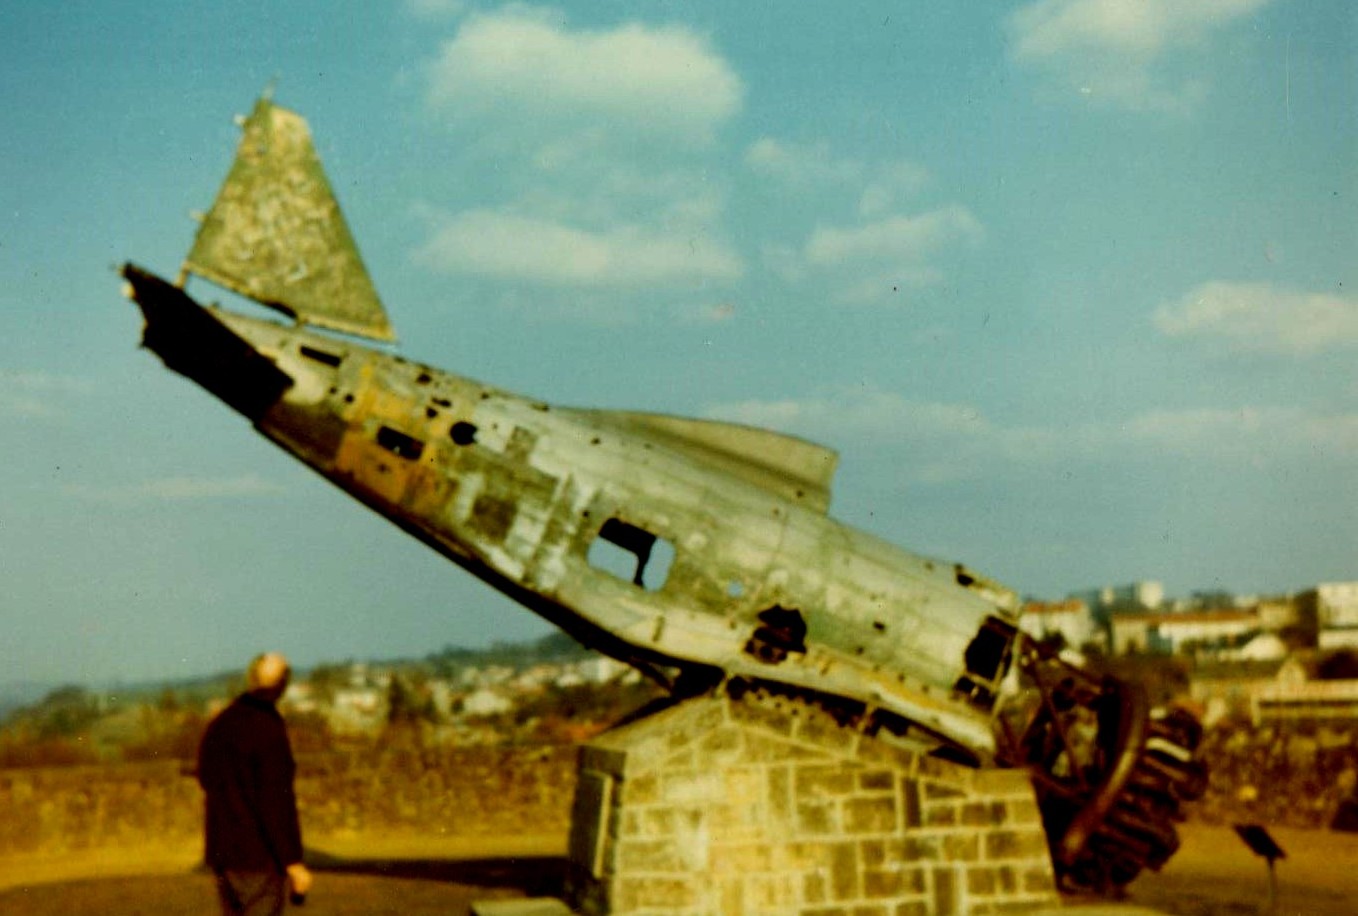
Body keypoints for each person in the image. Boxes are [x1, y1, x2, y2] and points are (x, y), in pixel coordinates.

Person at [197, 652, 314, 914]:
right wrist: (292, 861)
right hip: (258, 857)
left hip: (224, 853)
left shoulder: (221, 723)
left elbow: (206, 777)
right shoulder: (269, 730)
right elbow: (275, 803)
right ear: (283, 686)